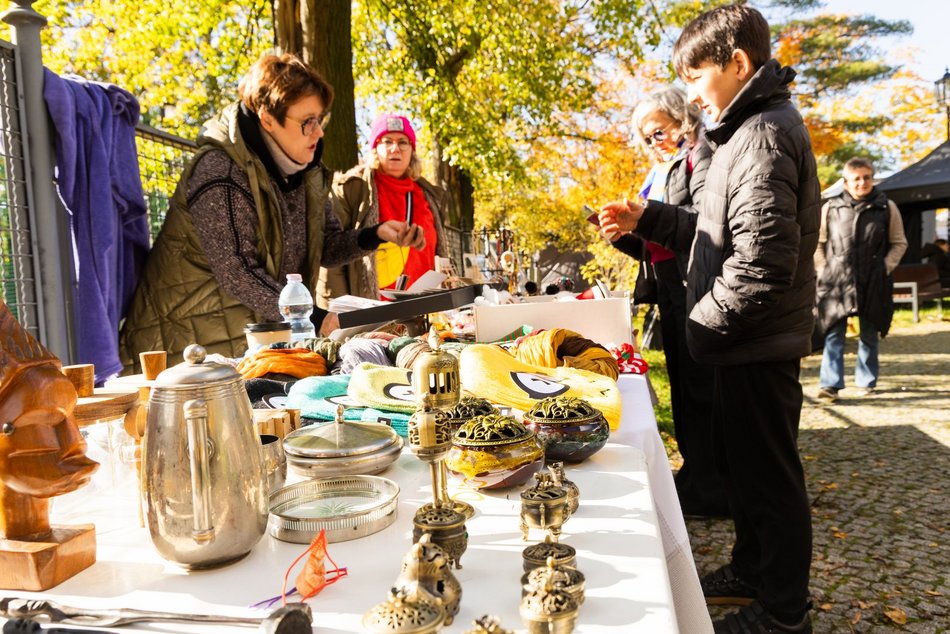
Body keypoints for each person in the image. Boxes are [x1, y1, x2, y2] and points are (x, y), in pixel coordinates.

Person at [599, 5, 819, 632]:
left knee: (771, 480)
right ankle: (753, 571)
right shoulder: (742, 132)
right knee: (748, 472)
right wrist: (649, 221)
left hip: (754, 339)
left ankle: (782, 613)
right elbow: (711, 233)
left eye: (695, 77)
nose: (691, 92)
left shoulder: (764, 134)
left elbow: (761, 263)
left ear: (737, 64)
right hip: (740, 339)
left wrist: (699, 328)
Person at [120, 55, 423, 367]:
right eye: (307, 122)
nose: (318, 133)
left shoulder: (304, 173)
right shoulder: (220, 171)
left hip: (251, 345)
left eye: (320, 120)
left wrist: (375, 235)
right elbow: (238, 273)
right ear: (266, 118)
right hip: (182, 353)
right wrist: (318, 319)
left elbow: (328, 247)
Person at [606, 87, 726, 518]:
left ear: (684, 118)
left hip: (698, 284)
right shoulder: (661, 170)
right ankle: (697, 475)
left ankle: (712, 487)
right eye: (647, 136)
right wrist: (624, 238)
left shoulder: (702, 155)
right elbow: (652, 245)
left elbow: (705, 226)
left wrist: (646, 221)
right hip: (671, 285)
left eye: (659, 130)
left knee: (700, 388)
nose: (654, 141)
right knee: (683, 386)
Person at [318, 113, 447, 304]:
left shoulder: (430, 194)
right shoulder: (351, 188)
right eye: (387, 141)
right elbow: (331, 257)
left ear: (412, 150)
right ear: (375, 148)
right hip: (373, 310)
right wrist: (338, 309)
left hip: (426, 306)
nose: (395, 148)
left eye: (403, 142)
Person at [815, 157, 907, 401]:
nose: (862, 183)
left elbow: (899, 243)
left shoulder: (887, 207)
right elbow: (818, 243)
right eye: (856, 178)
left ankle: (866, 382)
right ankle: (830, 384)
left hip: (873, 281)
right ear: (846, 182)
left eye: (867, 177)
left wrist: (885, 268)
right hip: (836, 283)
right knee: (834, 334)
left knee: (869, 333)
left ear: (872, 179)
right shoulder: (830, 208)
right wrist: (824, 270)